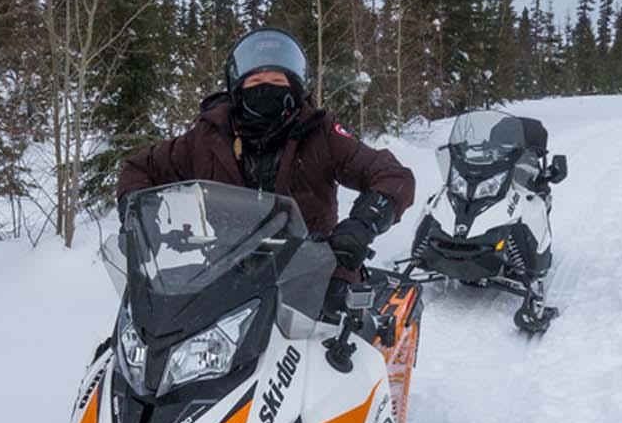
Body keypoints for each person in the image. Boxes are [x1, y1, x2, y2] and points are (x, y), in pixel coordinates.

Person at [118, 27, 415, 318]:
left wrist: (363, 225)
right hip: (230, 269)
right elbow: (141, 168)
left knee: (331, 353)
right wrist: (137, 218)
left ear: (295, 86)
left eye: (276, 79)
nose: (266, 87)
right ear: (237, 86)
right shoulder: (208, 138)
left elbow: (393, 177)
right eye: (256, 79)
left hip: (314, 270)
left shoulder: (320, 134)